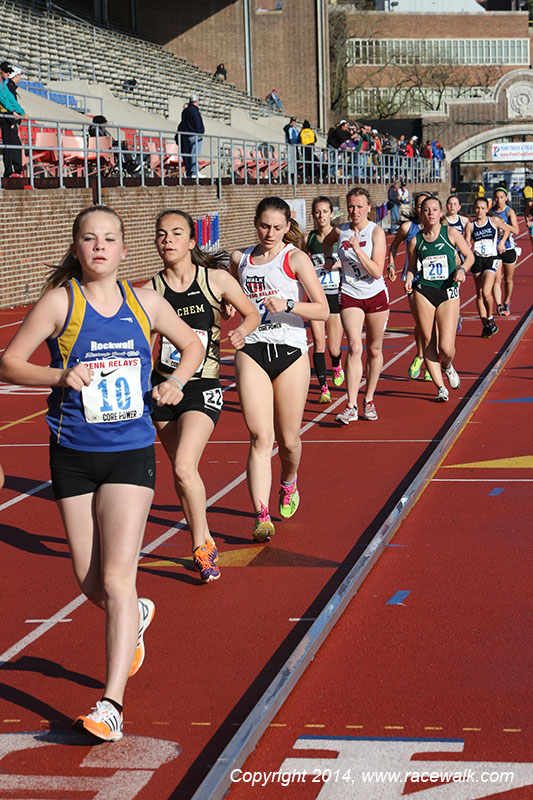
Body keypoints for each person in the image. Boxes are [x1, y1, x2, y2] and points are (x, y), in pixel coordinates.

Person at [0, 206, 205, 742]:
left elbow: (194, 344)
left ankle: (111, 703)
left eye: (109, 239)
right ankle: (135, 611)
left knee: (116, 577)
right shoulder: (59, 302)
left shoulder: (145, 302)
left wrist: (176, 382)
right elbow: (9, 363)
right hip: (71, 452)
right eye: (88, 239)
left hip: (130, 451)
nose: (98, 247)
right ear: (76, 247)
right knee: (91, 581)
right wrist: (59, 374)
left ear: (121, 248)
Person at [146, 210, 259, 582]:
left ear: (192, 241)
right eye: (161, 234)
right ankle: (205, 534)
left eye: (176, 233)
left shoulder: (216, 280)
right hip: (163, 388)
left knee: (182, 466)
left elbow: (251, 312)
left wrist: (241, 330)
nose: (168, 240)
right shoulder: (151, 291)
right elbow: (147, 345)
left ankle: (200, 545)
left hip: (202, 385)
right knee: (183, 475)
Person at [229, 197, 328, 541]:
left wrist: (288, 303)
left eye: (276, 227)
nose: (269, 233)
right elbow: (232, 300)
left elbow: (323, 310)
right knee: (260, 437)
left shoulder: (295, 258)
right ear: (255, 223)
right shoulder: (239, 259)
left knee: (288, 441)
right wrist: (230, 311)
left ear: (287, 226)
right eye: (263, 226)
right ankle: (261, 515)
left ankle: (289, 481)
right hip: (252, 349)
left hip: (290, 349)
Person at [323, 187, 388, 424]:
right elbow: (327, 241)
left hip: (375, 294)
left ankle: (368, 399)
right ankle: (350, 404)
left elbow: (377, 271)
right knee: (354, 346)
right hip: (350, 293)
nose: (355, 211)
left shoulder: (376, 232)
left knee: (374, 350)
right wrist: (329, 258)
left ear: (369, 207)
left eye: (360, 206)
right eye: (351, 206)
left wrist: (358, 250)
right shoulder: (341, 231)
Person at [405, 196, 474, 402]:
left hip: (448, 291)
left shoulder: (450, 233)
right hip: (424, 290)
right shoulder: (416, 241)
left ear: (441, 213)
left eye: (435, 209)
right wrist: (409, 280)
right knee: (428, 340)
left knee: (446, 347)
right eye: (427, 210)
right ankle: (440, 388)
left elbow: (469, 256)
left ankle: (447, 365)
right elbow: (410, 268)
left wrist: (462, 269)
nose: (431, 213)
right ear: (421, 214)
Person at [387, 191, 433, 382]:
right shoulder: (408, 227)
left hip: (434, 280)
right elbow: (394, 246)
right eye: (421, 206)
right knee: (422, 324)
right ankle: (421, 355)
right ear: (417, 208)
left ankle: (432, 361)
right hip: (412, 279)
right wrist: (391, 265)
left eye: (428, 206)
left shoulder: (439, 227)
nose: (425, 210)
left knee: (434, 325)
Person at [305, 196, 344, 403]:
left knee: (333, 348)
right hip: (316, 297)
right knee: (318, 343)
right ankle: (323, 388)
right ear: (313, 215)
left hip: (335, 295)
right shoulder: (309, 239)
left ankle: (337, 364)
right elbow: (300, 261)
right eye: (317, 212)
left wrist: (337, 265)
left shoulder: (339, 237)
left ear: (331, 214)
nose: (321, 216)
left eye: (324, 211)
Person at [470, 196, 511, 338]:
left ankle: (490, 317)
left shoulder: (493, 221)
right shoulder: (471, 225)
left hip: (491, 258)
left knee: (487, 292)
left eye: (482, 208)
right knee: (479, 293)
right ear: (474, 209)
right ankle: (485, 325)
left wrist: (501, 243)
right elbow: (466, 241)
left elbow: (507, 230)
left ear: (487, 209)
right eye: (477, 208)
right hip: (477, 260)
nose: (479, 211)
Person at [445, 193, 472, 333]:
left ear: (459, 206)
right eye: (450, 204)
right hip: (446, 257)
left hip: (459, 257)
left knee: (455, 288)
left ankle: (456, 315)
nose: (452, 206)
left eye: (455, 204)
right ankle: (453, 314)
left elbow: (469, 238)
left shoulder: (465, 221)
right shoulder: (443, 221)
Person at [490, 187, 519, 316]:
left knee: (508, 280)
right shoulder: (491, 212)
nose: (499, 200)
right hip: (494, 250)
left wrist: (503, 226)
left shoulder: (509, 212)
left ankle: (506, 301)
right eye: (496, 197)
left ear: (506, 198)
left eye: (501, 197)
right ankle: (499, 305)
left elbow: (516, 231)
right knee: (496, 280)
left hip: (508, 248)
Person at [0, 61, 26, 178]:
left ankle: (13, 171)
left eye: (9, 72)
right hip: (5, 116)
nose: (8, 73)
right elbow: (3, 99)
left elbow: (9, 98)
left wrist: (21, 111)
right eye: (6, 71)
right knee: (9, 144)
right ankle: (9, 171)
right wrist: (12, 111)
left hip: (7, 115)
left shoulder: (3, 83)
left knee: (11, 144)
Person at [176, 94, 205, 179]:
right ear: (196, 101)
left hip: (185, 135)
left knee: (188, 155)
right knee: (194, 154)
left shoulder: (185, 111)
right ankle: (195, 172)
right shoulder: (194, 110)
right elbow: (197, 123)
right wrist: (200, 132)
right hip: (193, 135)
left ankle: (189, 173)